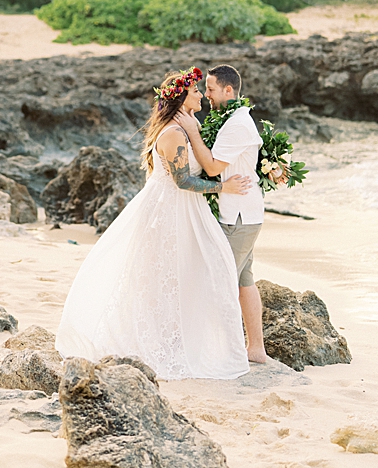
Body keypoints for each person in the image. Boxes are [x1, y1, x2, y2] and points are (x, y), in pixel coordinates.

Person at [56, 67, 254, 380]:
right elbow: (183, 181)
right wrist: (223, 187)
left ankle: (180, 337)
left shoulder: (183, 127)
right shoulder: (174, 133)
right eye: (196, 92)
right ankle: (166, 342)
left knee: (183, 275)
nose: (201, 94)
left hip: (183, 211)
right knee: (168, 276)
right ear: (183, 99)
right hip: (171, 211)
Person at [172, 64, 271, 364]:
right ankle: (255, 348)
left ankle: (224, 352)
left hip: (238, 217)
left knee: (220, 282)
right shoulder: (234, 119)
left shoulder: (237, 124)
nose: (207, 95)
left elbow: (214, 167)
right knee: (243, 279)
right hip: (244, 214)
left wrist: (191, 130)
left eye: (211, 89)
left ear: (229, 90)